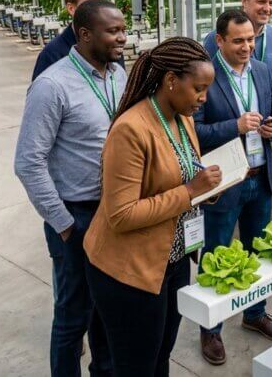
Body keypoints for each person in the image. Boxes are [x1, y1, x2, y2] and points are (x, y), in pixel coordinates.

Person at [83, 37, 222, 377]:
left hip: (171, 261)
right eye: (199, 89)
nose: (203, 99)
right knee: (136, 365)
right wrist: (189, 192)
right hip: (130, 271)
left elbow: (184, 172)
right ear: (171, 80)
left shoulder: (180, 115)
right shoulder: (131, 129)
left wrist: (208, 188)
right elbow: (121, 214)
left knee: (161, 355)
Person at [13, 0, 129, 377]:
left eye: (124, 29)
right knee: (72, 315)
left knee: (108, 310)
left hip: (114, 212)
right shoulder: (52, 85)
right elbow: (28, 162)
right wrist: (64, 224)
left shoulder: (118, 76)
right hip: (76, 214)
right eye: (113, 31)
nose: (123, 38)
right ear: (84, 34)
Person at [194, 9, 272, 364]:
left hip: (259, 177)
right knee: (216, 256)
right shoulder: (205, 75)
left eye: (250, 39)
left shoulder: (262, 71)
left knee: (258, 250)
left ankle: (255, 313)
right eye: (238, 41)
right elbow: (194, 132)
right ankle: (211, 329)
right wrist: (234, 125)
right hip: (224, 182)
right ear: (219, 41)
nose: (247, 46)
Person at [203, 0, 272, 206]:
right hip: (230, 145)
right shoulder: (214, 40)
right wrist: (235, 126)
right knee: (228, 220)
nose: (267, 8)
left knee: (266, 207)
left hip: (268, 139)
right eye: (261, 2)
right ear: (245, 1)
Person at [33, 0, 124, 81]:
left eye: (101, 3)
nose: (101, 11)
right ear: (71, 9)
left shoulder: (111, 45)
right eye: (91, 6)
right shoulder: (53, 54)